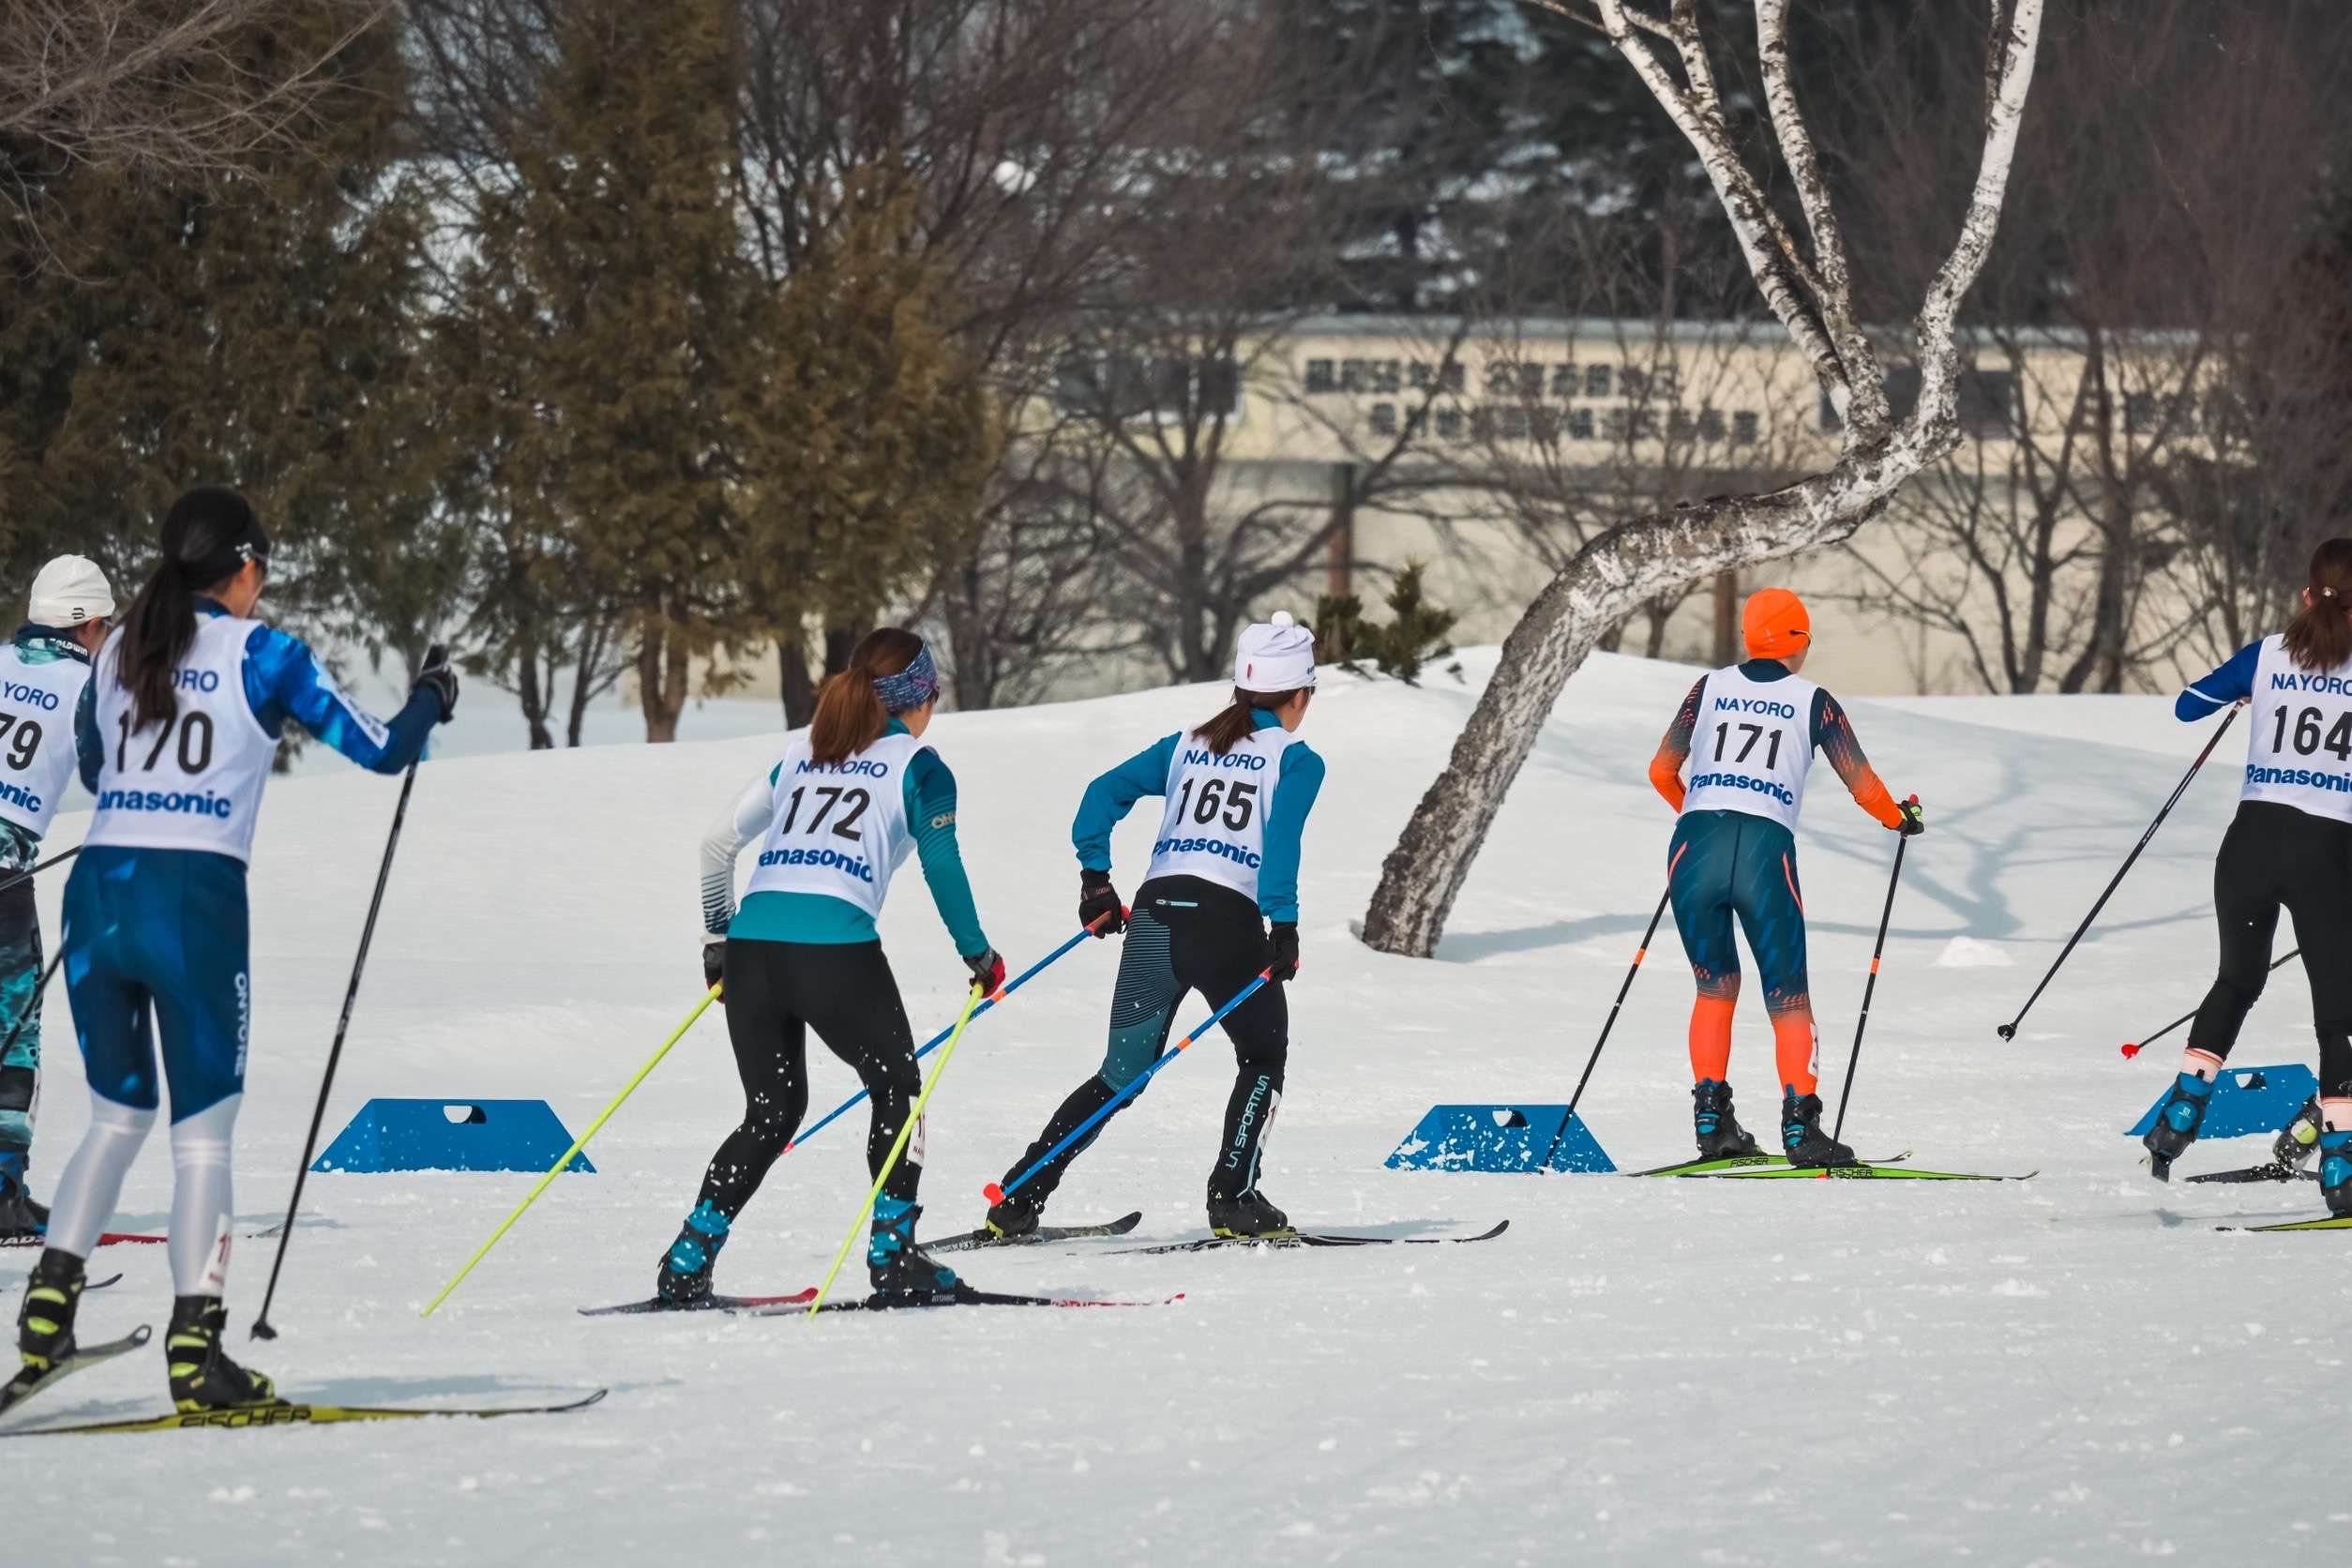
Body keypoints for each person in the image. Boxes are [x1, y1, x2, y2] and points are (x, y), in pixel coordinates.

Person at [8, 488, 456, 1413]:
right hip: (193, 900)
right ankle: (195, 1354)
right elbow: (377, 748)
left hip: (99, 892)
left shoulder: (122, 644)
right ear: (245, 566)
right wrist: (431, 697)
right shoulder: (266, 652)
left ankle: (47, 1309)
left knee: (116, 1117)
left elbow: (94, 764)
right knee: (200, 1137)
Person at [662, 628, 1001, 1305]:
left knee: (771, 1109)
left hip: (754, 950)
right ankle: (893, 1257)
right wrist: (978, 954)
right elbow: (940, 862)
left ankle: (687, 1260)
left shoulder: (800, 754)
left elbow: (715, 845)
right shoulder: (921, 767)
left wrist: (716, 945)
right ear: (921, 698)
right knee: (898, 1094)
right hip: (833, 953)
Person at [985, 611, 1325, 1241]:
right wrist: (1286, 928)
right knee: (1262, 1055)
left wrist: (1096, 880)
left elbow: (1101, 793)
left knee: (1119, 1075)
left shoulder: (1186, 742)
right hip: (1228, 924)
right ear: (1299, 694)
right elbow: (1281, 848)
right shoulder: (1297, 759)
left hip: (1154, 919)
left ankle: (1018, 1197)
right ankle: (1233, 1197)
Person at [1647, 588, 1923, 1168]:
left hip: (1694, 845)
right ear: (1797, 643)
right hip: (1764, 853)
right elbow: (1862, 782)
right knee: (1788, 994)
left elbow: (1661, 769)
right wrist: (1900, 818)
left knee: (1714, 986)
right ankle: (1802, 1130)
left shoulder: (1709, 687)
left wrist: (1701, 817)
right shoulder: (1813, 701)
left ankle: (1711, 1123)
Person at [2147, 538, 2352, 1208]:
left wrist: (2244, 696)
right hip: (2328, 853)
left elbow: (2185, 705)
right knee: (2338, 1017)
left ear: (2305, 594)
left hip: (2249, 845)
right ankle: (2340, 1162)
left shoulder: (2266, 654)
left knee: (2237, 980)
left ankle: (2183, 1107)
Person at [0, 557, 115, 1239]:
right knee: (12, 1032)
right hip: (3, 876)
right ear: (90, 625)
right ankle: (2, 1190)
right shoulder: (85, 688)